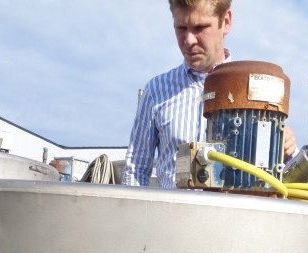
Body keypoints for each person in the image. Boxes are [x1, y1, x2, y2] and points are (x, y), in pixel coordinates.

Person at [122, 0, 297, 189]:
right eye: (181, 28)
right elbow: (136, 169)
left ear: (226, 21)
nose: (189, 40)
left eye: (200, 28)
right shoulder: (156, 90)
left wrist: (287, 150)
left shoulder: (258, 91)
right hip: (173, 208)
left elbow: (285, 181)